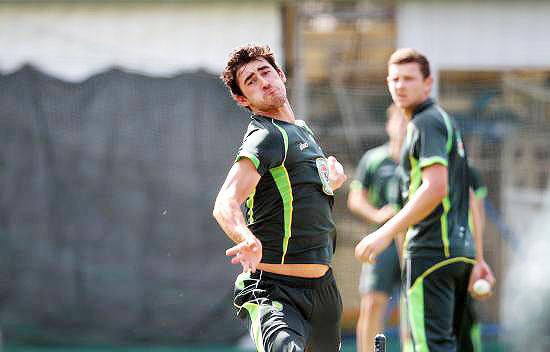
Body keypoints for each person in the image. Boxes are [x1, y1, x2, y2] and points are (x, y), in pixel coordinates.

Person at [355, 48, 495, 352]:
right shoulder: (445, 121)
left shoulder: (424, 123)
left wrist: (385, 231)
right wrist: (478, 257)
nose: (400, 86)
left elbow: (436, 188)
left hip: (430, 255)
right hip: (459, 254)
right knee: (455, 344)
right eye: (395, 79)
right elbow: (467, 198)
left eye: (409, 78)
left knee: (430, 347)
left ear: (428, 82)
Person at [213, 44, 347, 352]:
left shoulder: (301, 131)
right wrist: (244, 238)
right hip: (274, 291)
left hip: (324, 291)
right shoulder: (266, 136)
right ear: (242, 99)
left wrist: (333, 180)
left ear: (281, 75)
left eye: (265, 72)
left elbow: (302, 192)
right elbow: (225, 202)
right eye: (251, 81)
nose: (263, 81)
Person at [347, 105, 407, 352]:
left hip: (412, 242)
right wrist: (378, 214)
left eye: (408, 121)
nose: (403, 126)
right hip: (382, 243)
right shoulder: (373, 159)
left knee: (411, 306)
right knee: (372, 302)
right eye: (398, 121)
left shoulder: (422, 161)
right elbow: (355, 199)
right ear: (388, 125)